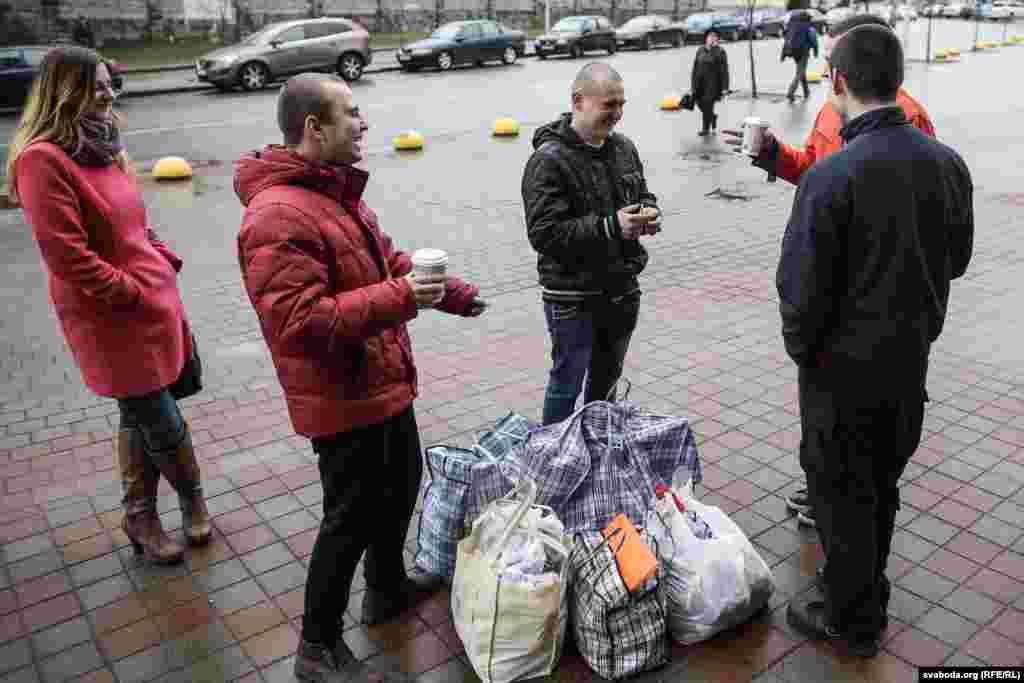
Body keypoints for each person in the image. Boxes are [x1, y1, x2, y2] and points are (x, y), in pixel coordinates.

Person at [235, 73, 487, 682]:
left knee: (400, 484)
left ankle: (386, 588)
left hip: (381, 379)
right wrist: (403, 296)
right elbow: (299, 321)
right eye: (351, 114)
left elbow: (386, 262)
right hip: (341, 396)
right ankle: (316, 646)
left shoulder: (336, 193)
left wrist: (446, 293)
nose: (364, 123)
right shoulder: (277, 216)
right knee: (348, 515)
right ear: (313, 130)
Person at [777, 24, 973, 657]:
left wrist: (808, 357)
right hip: (907, 363)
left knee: (839, 495)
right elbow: (959, 258)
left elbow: (799, 297)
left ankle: (851, 619)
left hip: (839, 374)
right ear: (898, 81)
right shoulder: (946, 164)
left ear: (837, 83)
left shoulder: (829, 179)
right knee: (883, 483)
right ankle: (867, 590)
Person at [723, 13, 936, 530]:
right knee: (838, 435)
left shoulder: (911, 120)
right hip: (868, 312)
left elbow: (907, 211)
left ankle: (844, 539)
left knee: (853, 435)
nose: (826, 69)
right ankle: (831, 492)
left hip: (862, 308)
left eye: (833, 58)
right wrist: (774, 155)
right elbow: (819, 172)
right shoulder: (829, 113)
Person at [4, 47, 211, 566]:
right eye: (96, 85)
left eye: (109, 83)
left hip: (149, 299)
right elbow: (68, 258)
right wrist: (134, 291)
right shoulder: (42, 160)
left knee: (138, 411)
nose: (108, 93)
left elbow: (133, 223)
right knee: (159, 419)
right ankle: (191, 498)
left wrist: (160, 258)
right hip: (108, 315)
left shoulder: (104, 145)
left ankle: (140, 516)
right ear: (64, 90)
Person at [522, 62, 661, 426]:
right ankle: (555, 460)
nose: (616, 114)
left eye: (621, 104)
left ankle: (599, 460)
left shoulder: (624, 148)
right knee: (566, 386)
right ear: (578, 101)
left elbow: (642, 192)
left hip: (621, 290)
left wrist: (649, 211)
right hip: (573, 298)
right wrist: (611, 226)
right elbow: (544, 234)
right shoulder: (547, 160)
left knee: (606, 386)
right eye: (608, 105)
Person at [690, 29, 730, 136]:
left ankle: (705, 129)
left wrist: (725, 87)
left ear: (717, 39)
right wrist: (692, 84)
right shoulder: (700, 50)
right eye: (710, 36)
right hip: (699, 83)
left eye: (714, 36)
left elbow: (724, 70)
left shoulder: (720, 52)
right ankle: (712, 117)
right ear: (706, 38)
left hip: (712, 84)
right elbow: (695, 67)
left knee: (708, 104)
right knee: (699, 102)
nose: (712, 38)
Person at [782, 10, 818, 101]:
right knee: (800, 72)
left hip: (793, 51)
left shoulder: (791, 25)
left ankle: (806, 91)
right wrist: (815, 51)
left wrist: (783, 54)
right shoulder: (808, 26)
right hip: (803, 51)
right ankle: (791, 92)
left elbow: (786, 40)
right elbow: (813, 39)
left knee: (801, 70)